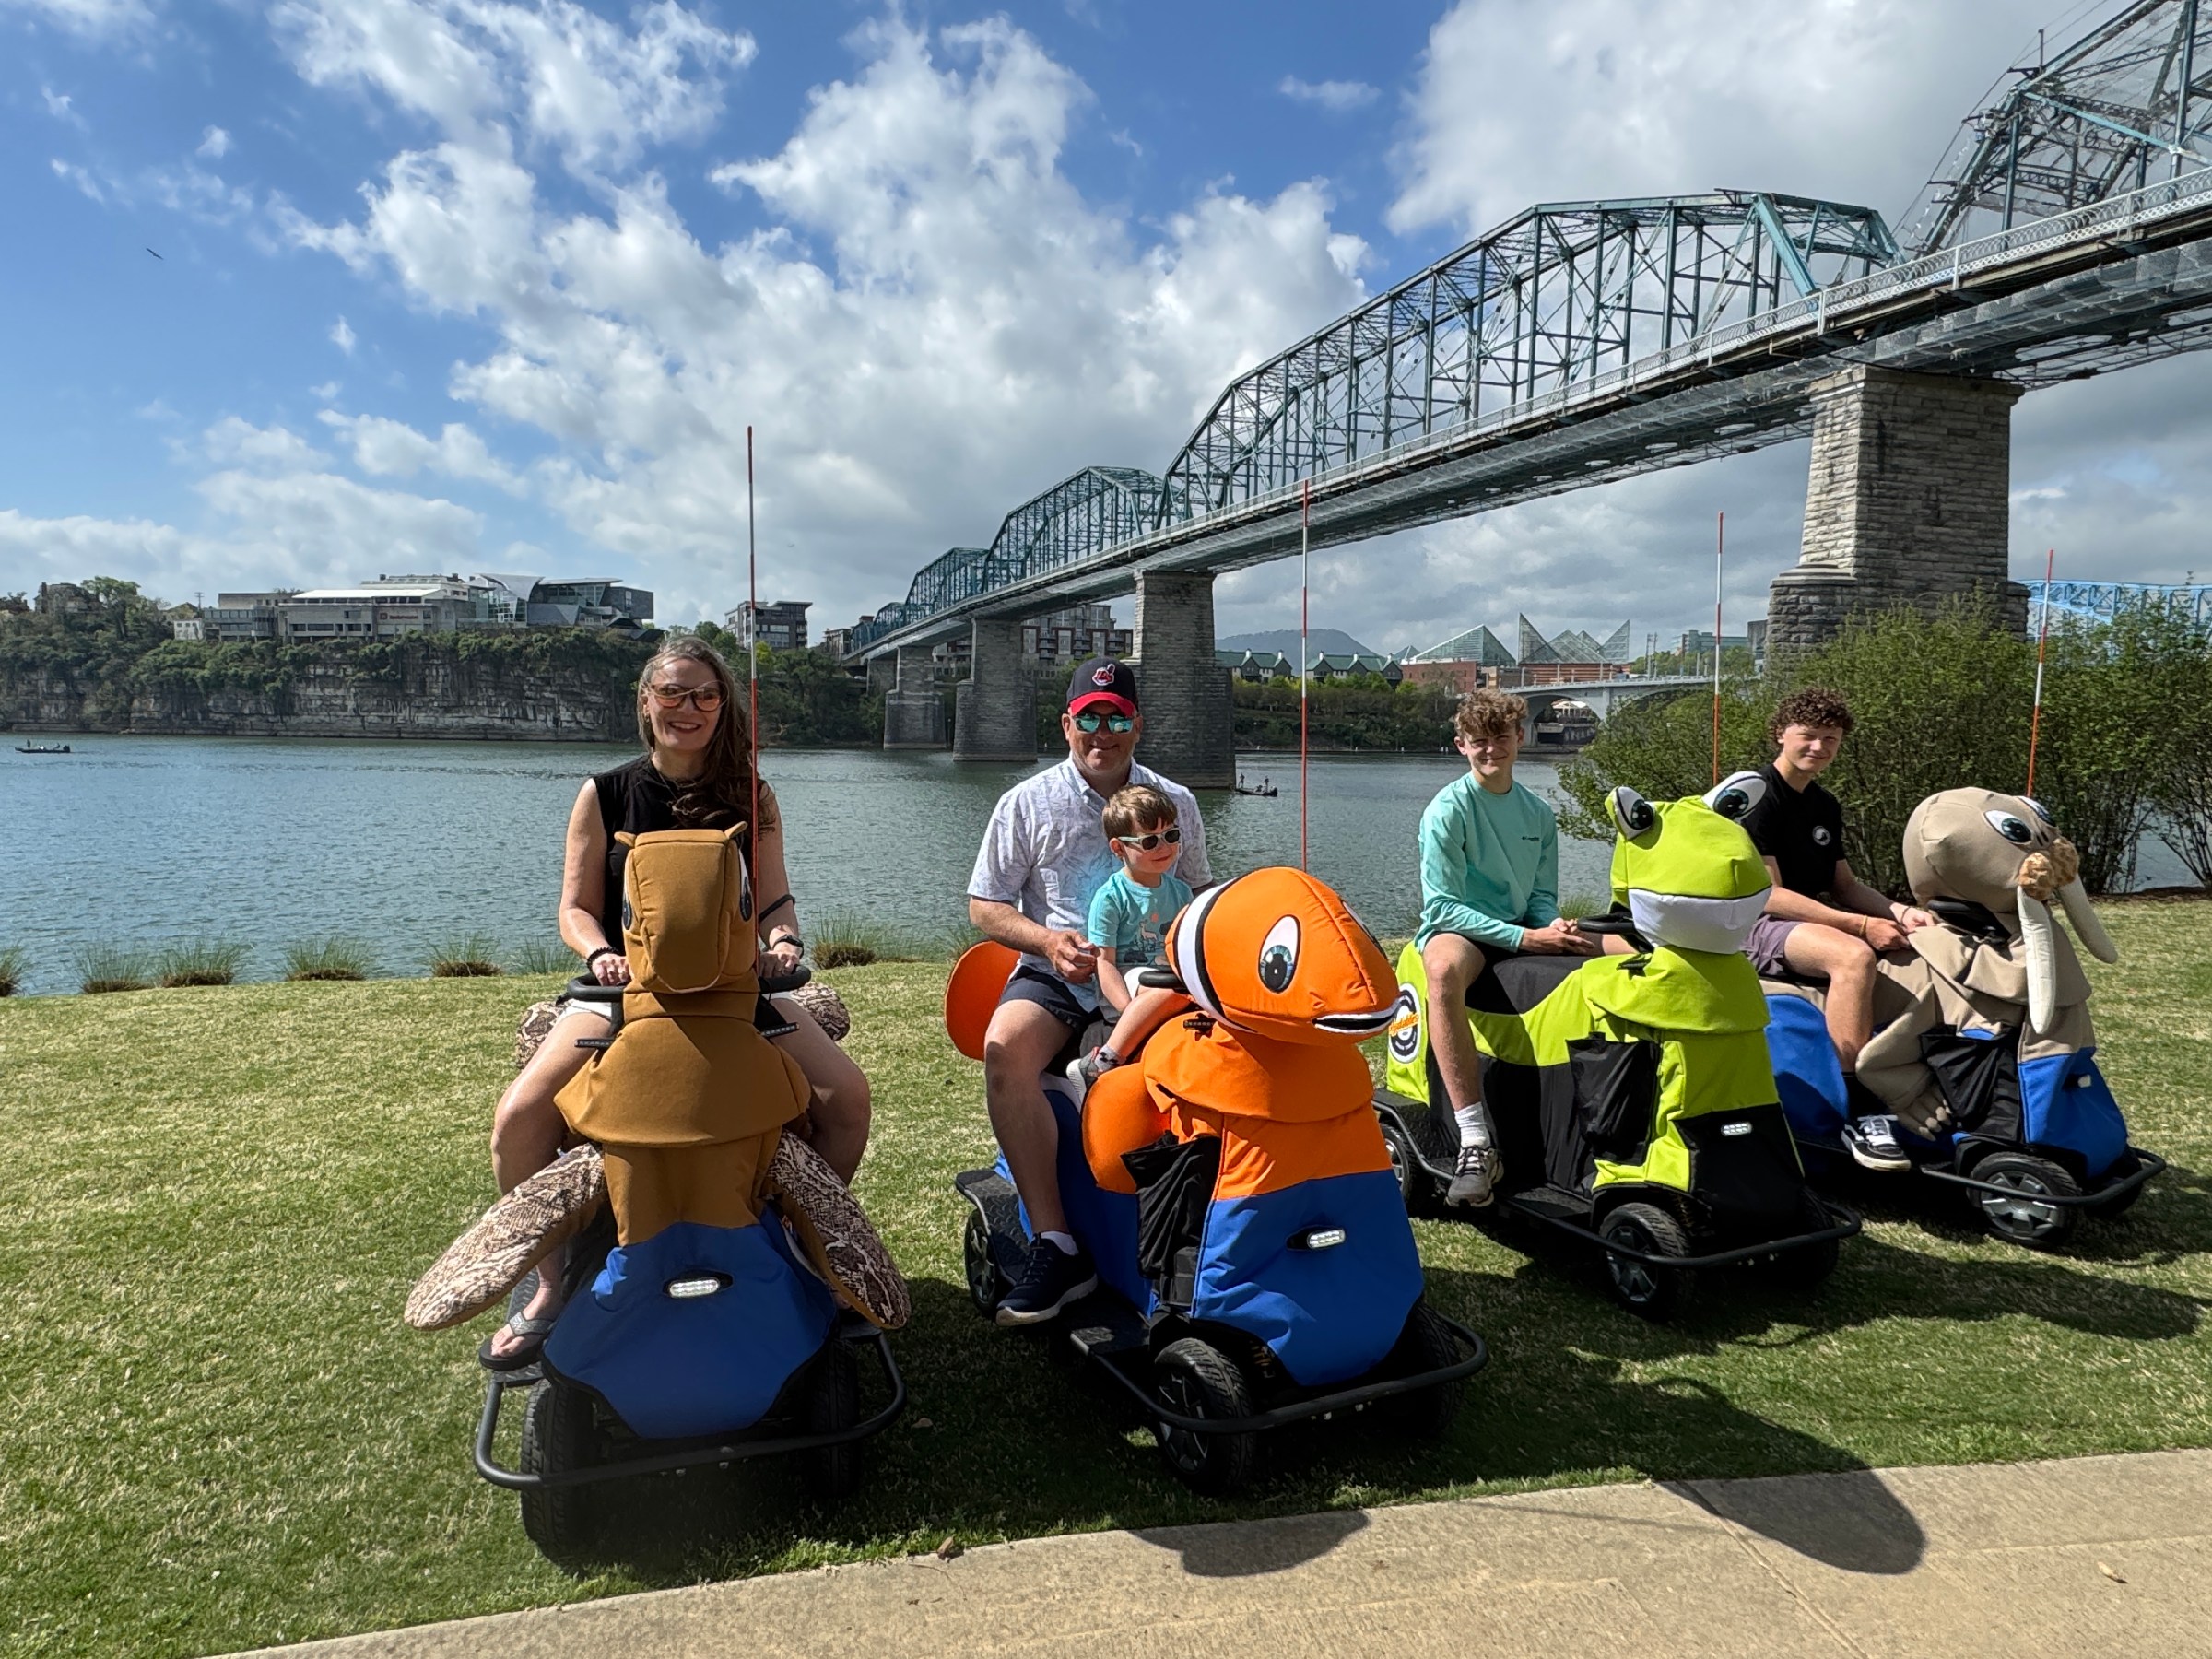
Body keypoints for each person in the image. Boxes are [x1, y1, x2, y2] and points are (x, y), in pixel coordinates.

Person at [481, 637, 871, 1366]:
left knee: (846, 1098)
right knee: (519, 1120)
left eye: (705, 695)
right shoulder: (604, 793)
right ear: (646, 700)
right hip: (626, 991)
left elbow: (776, 899)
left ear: (722, 706)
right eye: (673, 692)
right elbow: (575, 908)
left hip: (736, 992)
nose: (688, 708)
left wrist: (783, 942)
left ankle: (801, 1239)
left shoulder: (752, 795)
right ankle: (552, 1282)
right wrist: (599, 953)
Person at [968, 658, 1211, 1325]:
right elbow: (985, 905)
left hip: (1154, 979)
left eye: (1117, 718)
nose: (1103, 732)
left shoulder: (1176, 802)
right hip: (1057, 972)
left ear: (1138, 726)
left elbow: (1200, 897)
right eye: (1090, 718)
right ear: (1066, 725)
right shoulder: (1025, 802)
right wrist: (1048, 942)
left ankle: (1200, 1238)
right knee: (1005, 1051)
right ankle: (1057, 1243)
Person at [1736, 687, 1934, 1171]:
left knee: (1927, 948)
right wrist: (1862, 927)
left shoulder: (1823, 804)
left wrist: (1900, 912)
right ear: (1780, 734)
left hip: (1804, 919)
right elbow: (1769, 896)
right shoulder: (1757, 797)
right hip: (1752, 923)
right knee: (1852, 956)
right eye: (1808, 735)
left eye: (1831, 739)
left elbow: (1843, 885)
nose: (1818, 747)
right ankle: (1856, 1107)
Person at [1415, 688, 1595, 1208]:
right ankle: (1475, 1140)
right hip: (1462, 932)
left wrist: (1551, 925)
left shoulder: (1538, 813)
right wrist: (1525, 938)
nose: (1490, 749)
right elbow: (1443, 907)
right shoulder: (1446, 810)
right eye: (1479, 741)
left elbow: (1539, 897)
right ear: (1461, 746)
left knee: (1615, 947)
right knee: (1442, 969)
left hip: (1519, 925)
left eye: (1500, 738)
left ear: (1520, 737)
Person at [1066, 783, 1195, 1095]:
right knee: (1168, 987)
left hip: (1169, 982)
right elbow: (1105, 962)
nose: (1163, 847)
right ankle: (1101, 1062)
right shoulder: (1111, 897)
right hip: (1130, 983)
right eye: (1149, 841)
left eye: (1171, 836)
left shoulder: (1181, 892)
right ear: (1118, 848)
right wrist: (1129, 1010)